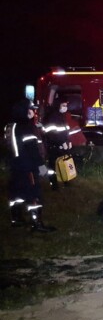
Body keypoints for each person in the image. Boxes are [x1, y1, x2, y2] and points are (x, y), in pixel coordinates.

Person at [6, 99, 56, 232]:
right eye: (31, 109)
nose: (33, 112)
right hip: (28, 167)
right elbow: (32, 149)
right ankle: (37, 223)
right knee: (34, 194)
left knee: (16, 193)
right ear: (24, 110)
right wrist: (41, 166)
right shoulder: (25, 127)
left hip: (15, 167)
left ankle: (16, 219)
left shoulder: (9, 126)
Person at [42, 97, 72, 190]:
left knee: (64, 164)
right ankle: (54, 185)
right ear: (58, 105)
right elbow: (51, 133)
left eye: (66, 105)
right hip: (53, 146)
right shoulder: (52, 117)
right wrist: (62, 142)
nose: (65, 107)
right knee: (52, 167)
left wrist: (68, 141)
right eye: (63, 105)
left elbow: (65, 131)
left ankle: (66, 181)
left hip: (62, 145)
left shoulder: (61, 116)